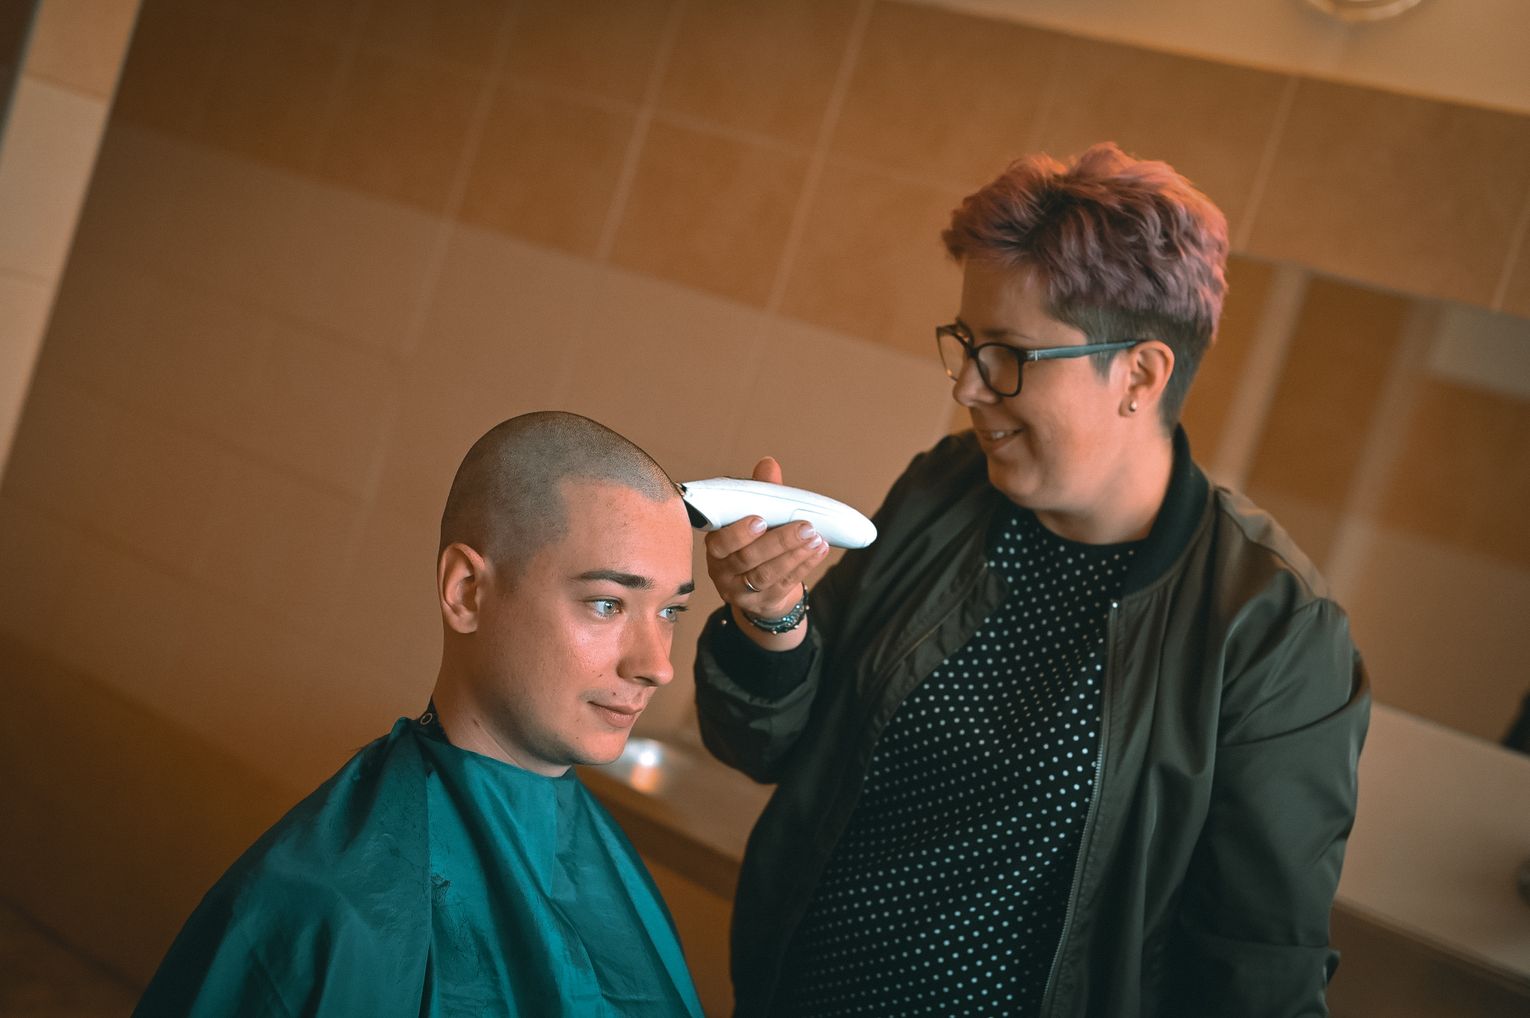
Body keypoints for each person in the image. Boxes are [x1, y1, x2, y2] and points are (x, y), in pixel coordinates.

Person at [694, 144, 1370, 1017]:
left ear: (1140, 374)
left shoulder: (1270, 629)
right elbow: (766, 750)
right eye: (966, 345)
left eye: (1009, 354)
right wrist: (771, 620)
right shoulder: (942, 491)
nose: (969, 388)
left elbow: (1258, 971)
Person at [137, 411, 704, 1017]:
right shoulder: (327, 911)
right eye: (607, 604)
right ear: (466, 591)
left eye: (670, 612)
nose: (657, 666)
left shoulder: (601, 860)